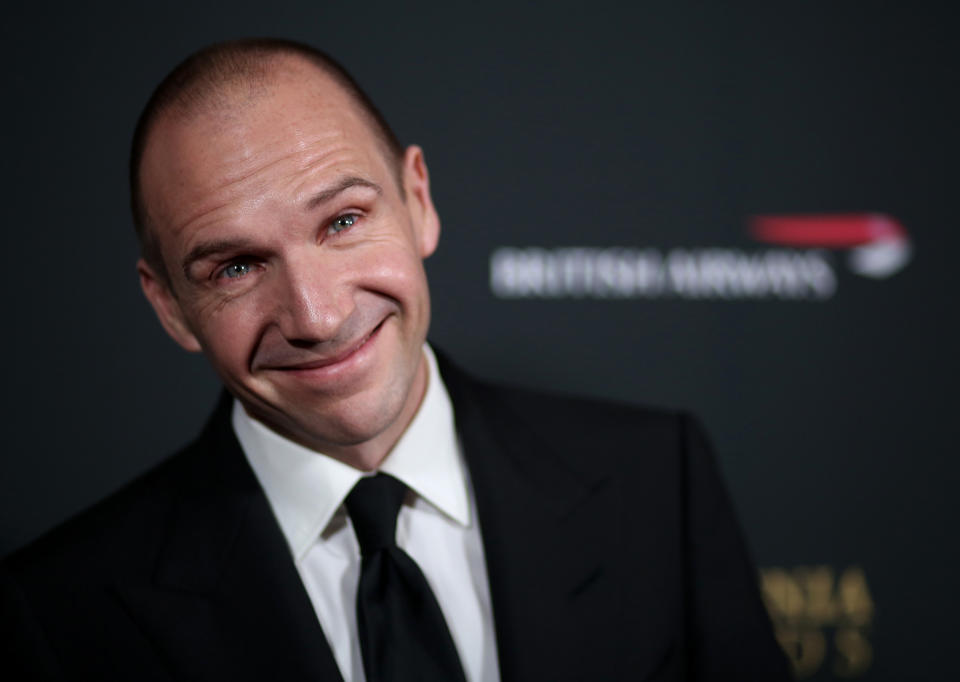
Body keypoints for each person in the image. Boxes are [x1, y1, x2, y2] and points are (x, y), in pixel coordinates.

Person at [1, 39, 791, 681]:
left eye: (343, 220)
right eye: (236, 268)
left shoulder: (657, 482)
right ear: (170, 305)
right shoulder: (57, 617)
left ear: (418, 201)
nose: (319, 314)